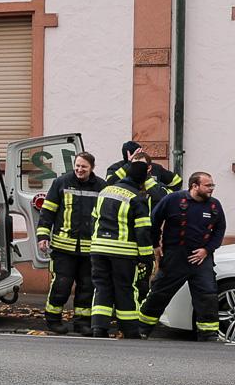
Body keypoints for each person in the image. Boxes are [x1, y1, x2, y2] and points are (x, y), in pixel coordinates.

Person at [140, 171, 226, 341]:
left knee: (207, 296)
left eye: (212, 185)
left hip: (201, 259)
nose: (211, 188)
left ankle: (208, 335)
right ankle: (142, 329)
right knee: (159, 293)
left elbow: (219, 231)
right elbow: (154, 221)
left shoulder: (214, 206)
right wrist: (156, 245)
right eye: (208, 185)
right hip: (175, 257)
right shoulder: (173, 200)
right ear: (194, 186)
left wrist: (206, 250)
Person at [106, 141, 183, 314]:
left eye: (143, 167)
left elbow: (174, 187)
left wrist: (150, 182)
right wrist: (129, 166)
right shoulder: (117, 168)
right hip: (123, 236)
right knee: (119, 278)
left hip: (148, 235)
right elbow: (109, 184)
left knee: (144, 277)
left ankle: (139, 312)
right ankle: (116, 312)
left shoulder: (155, 173)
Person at [36, 150, 104, 333]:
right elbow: (47, 211)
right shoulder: (61, 183)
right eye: (77, 166)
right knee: (61, 285)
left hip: (89, 250)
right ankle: (53, 320)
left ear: (92, 168)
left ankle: (82, 323)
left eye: (84, 167)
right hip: (63, 248)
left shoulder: (100, 186)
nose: (79, 170)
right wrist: (42, 236)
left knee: (87, 286)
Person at [89, 159, 155, 338]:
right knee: (125, 288)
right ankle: (130, 330)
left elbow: (94, 220)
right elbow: (142, 231)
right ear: (142, 179)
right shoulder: (137, 198)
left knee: (102, 287)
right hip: (123, 252)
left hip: (98, 249)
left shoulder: (105, 191)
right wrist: (147, 257)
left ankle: (98, 327)